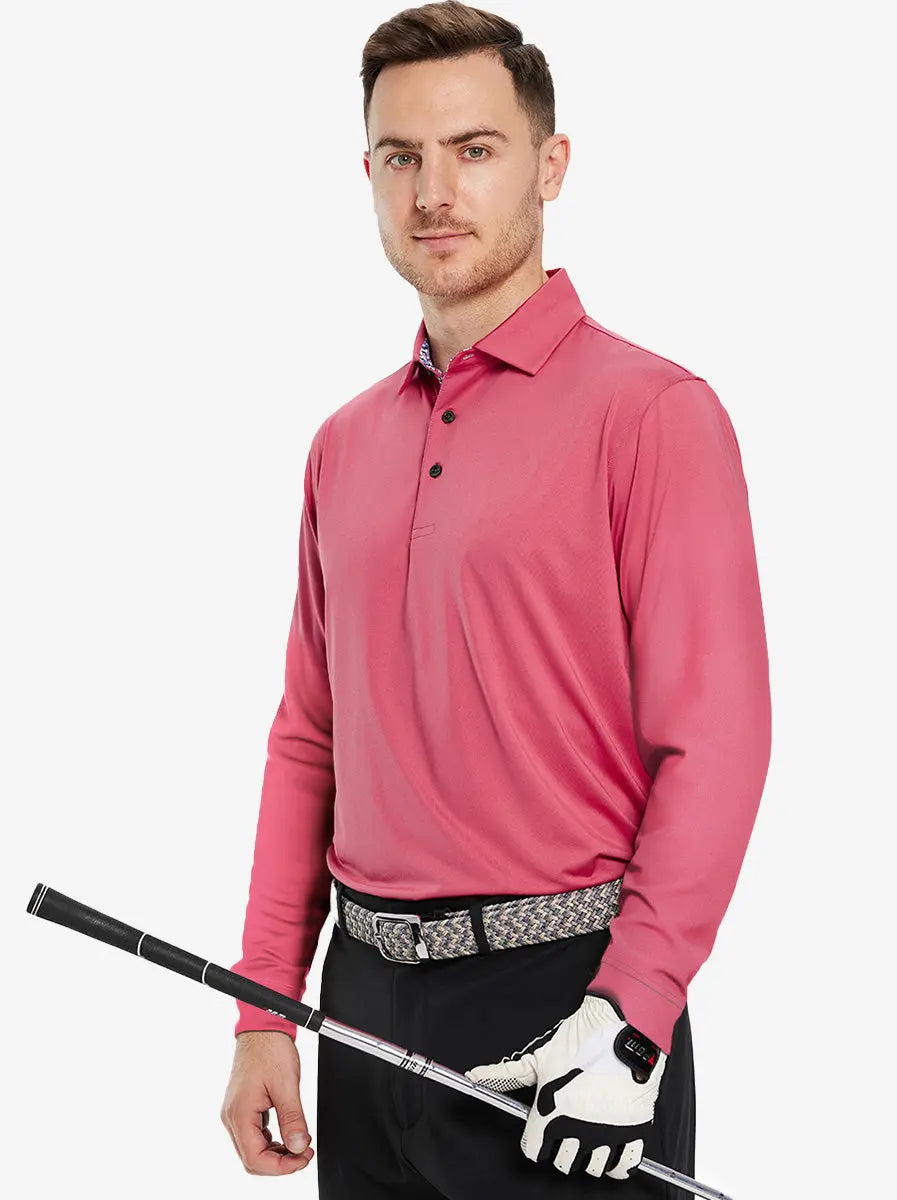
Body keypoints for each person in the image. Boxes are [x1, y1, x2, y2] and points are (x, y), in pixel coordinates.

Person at [219, 2, 772, 1196]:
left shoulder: (655, 417)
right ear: (368, 175)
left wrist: (633, 1017)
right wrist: (267, 1005)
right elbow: (309, 736)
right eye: (401, 157)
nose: (435, 193)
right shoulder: (341, 446)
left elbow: (716, 744)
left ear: (550, 165)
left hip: (568, 1008)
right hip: (362, 1005)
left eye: (474, 150)